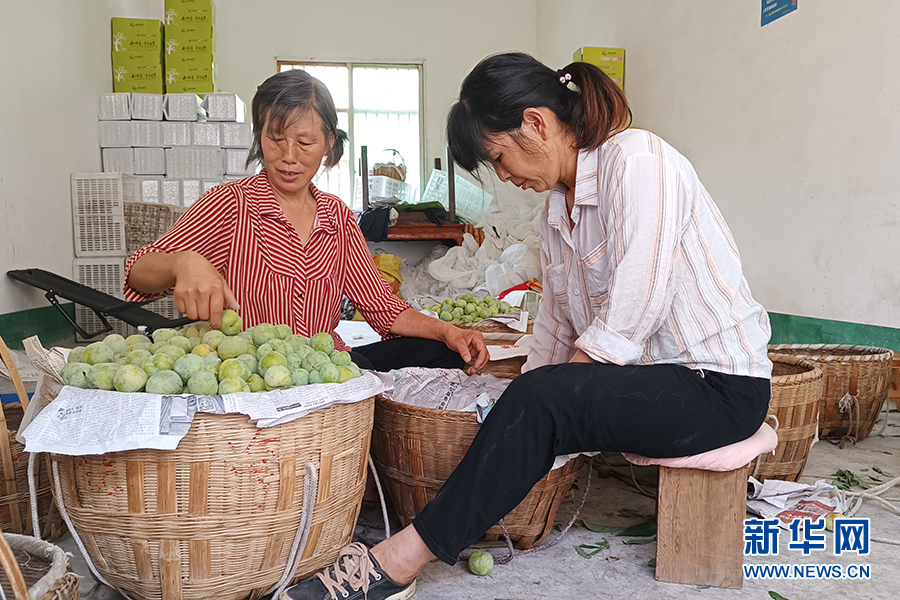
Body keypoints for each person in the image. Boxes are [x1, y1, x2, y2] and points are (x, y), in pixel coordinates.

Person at [281, 52, 773, 600]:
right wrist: (511, 391)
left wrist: (549, 394)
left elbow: (640, 299)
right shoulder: (559, 211)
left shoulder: (637, 162)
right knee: (441, 363)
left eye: (498, 157)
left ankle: (399, 561)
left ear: (536, 124)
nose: (506, 176)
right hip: (646, 382)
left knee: (546, 398)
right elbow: (555, 327)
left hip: (715, 387)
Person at [125, 69, 488, 374]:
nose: (288, 157)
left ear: (329, 143)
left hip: (321, 366)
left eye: (304, 142)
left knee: (447, 356)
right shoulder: (229, 204)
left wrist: (446, 331)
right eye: (275, 138)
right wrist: (184, 262)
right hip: (250, 372)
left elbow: (382, 307)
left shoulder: (338, 218)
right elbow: (138, 274)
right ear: (259, 135)